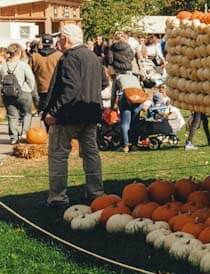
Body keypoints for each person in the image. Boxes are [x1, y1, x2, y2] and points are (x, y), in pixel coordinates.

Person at [42, 24, 107, 208]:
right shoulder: (93, 57)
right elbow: (103, 82)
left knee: (58, 155)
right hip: (90, 112)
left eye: (59, 38)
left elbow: (70, 88)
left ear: (66, 39)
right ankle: (96, 192)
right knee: (91, 153)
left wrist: (54, 111)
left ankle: (57, 197)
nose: (58, 42)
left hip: (68, 115)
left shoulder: (70, 57)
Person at [2, 43, 37, 144]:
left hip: (8, 95)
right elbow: (31, 78)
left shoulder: (2, 66)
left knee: (12, 116)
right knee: (27, 113)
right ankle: (24, 134)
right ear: (19, 52)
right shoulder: (23, 65)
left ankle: (14, 137)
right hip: (23, 93)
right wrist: (29, 89)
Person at [109, 68, 144, 152]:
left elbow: (113, 94)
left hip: (126, 99)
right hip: (138, 99)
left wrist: (111, 107)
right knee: (135, 123)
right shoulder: (134, 77)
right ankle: (135, 145)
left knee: (125, 123)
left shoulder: (118, 78)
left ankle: (125, 146)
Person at [30, 34, 63, 113]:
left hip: (41, 88)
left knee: (44, 111)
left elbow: (30, 72)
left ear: (42, 44)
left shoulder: (35, 56)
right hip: (56, 87)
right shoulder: (59, 55)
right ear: (52, 44)